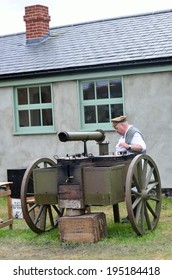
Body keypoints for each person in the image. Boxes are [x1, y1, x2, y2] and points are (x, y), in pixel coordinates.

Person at [111, 115, 146, 223]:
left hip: (134, 166)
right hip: (126, 165)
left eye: (117, 128)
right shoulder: (124, 135)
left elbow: (141, 147)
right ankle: (132, 215)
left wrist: (128, 146)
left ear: (123, 125)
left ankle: (134, 215)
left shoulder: (134, 133)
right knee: (128, 190)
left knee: (133, 190)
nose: (116, 131)